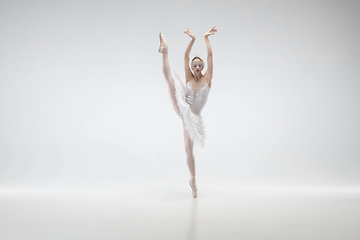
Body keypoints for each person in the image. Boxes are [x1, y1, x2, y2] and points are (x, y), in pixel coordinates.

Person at [158, 27, 217, 198]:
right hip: (184, 108)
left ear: (203, 66)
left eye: (200, 65)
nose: (197, 67)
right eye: (194, 65)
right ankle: (165, 52)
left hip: (195, 118)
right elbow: (185, 57)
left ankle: (192, 180)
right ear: (191, 67)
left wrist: (206, 38)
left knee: (188, 150)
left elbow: (210, 55)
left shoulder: (208, 79)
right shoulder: (189, 78)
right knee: (170, 82)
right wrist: (192, 40)